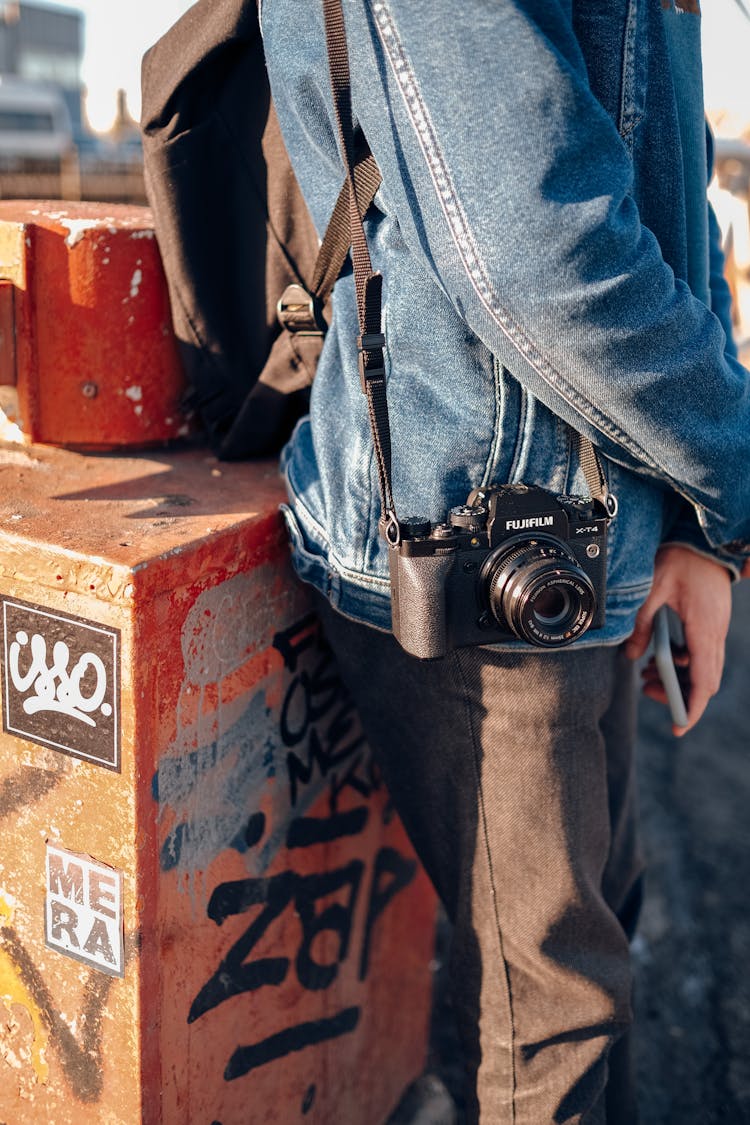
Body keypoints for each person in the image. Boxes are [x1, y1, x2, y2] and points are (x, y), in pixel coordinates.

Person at [260, 1, 750, 1121]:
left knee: (588, 942)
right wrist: (734, 488)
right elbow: (541, 259)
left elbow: (678, 212)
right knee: (553, 1030)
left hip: (583, 539)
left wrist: (698, 528)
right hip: (480, 538)